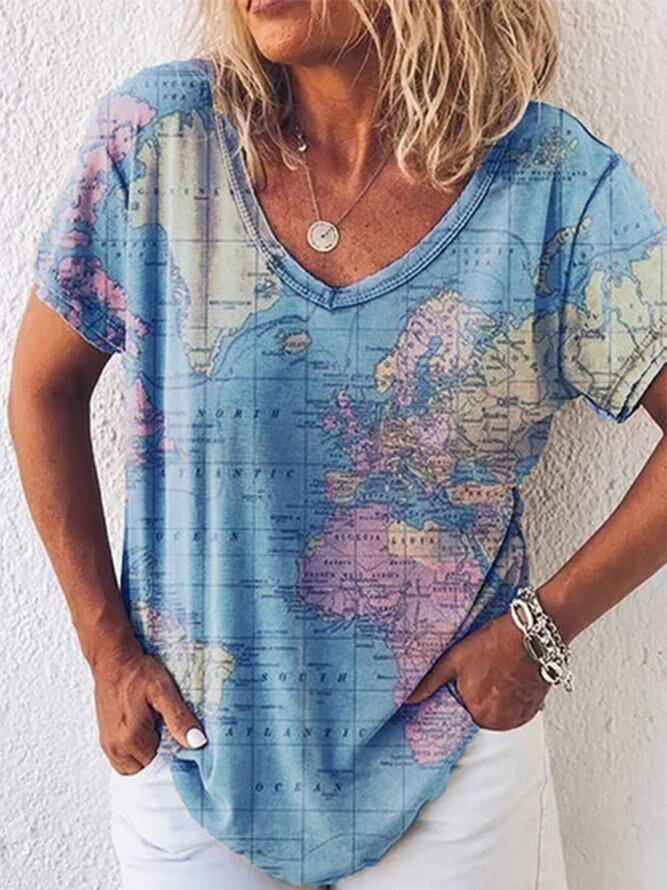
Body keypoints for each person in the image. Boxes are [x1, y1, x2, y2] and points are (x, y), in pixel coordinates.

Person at [8, 1, 666, 888]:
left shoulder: (551, 182)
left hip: (450, 759)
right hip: (191, 756)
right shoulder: (161, 142)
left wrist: (541, 629)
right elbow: (42, 390)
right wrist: (105, 650)